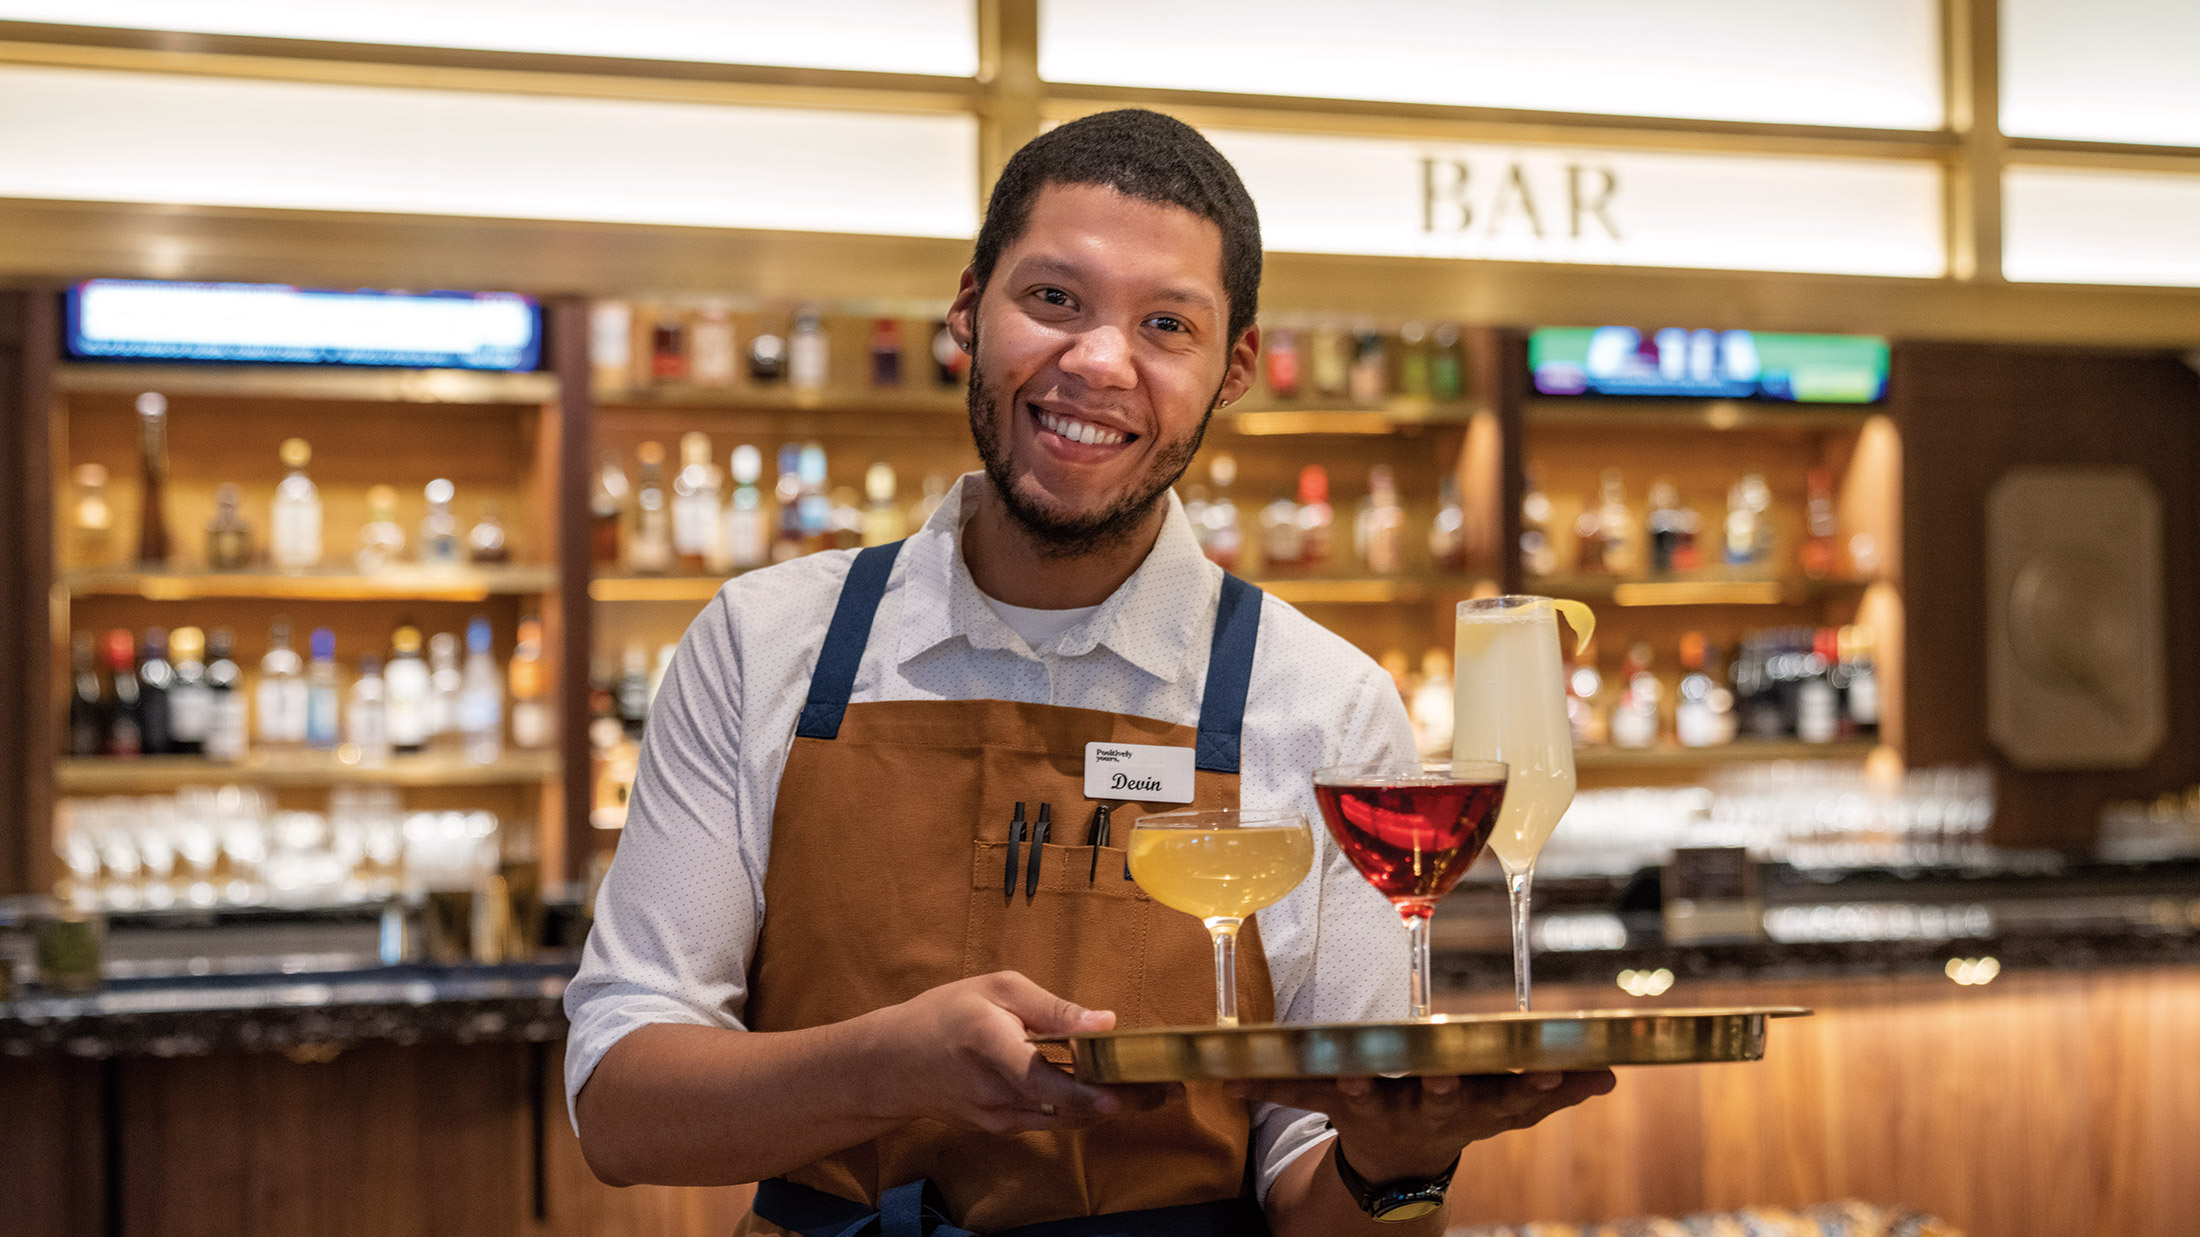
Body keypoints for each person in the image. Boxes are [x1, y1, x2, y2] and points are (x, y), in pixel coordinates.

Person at [567, 108, 1613, 1236]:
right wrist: (885, 1067)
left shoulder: (1325, 700)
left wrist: (1391, 1166)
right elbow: (623, 1111)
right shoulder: (764, 643)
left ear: (1235, 368)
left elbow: (1329, 1201)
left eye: (1166, 324)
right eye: (1054, 299)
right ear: (968, 308)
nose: (1099, 362)